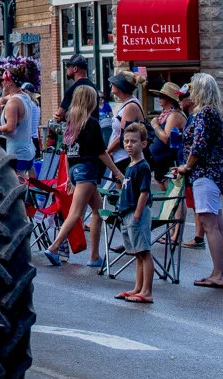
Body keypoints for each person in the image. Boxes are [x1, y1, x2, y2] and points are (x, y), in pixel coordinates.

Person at [43, 85, 122, 268]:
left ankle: (94, 256)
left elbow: (67, 150)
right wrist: (117, 171)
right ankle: (54, 247)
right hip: (87, 169)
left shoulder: (72, 120)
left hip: (76, 168)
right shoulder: (91, 122)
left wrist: (70, 176)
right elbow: (101, 152)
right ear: (91, 100)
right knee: (76, 213)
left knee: (97, 211)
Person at [175, 72, 223, 289]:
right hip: (214, 173)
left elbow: (199, 146)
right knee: (217, 224)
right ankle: (219, 271)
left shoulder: (204, 114)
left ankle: (218, 273)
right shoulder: (213, 113)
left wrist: (187, 165)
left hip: (205, 173)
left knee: (209, 225)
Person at [114, 121, 154, 303]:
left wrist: (137, 214)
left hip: (136, 214)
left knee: (144, 252)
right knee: (138, 254)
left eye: (134, 141)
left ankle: (147, 291)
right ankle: (138, 287)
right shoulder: (130, 166)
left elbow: (144, 193)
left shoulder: (143, 167)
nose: (129, 145)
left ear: (143, 144)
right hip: (127, 212)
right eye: (126, 141)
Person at [0, 68, 34, 181]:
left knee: (16, 185)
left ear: (10, 82)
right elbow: (6, 98)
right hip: (28, 149)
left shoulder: (13, 103)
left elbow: (10, 128)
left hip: (16, 152)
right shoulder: (25, 97)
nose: (2, 83)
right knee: (25, 185)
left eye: (3, 80)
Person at [148, 82, 187, 181]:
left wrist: (155, 125)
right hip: (160, 160)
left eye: (161, 97)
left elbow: (166, 139)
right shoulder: (165, 114)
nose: (159, 99)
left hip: (167, 160)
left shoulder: (174, 115)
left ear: (169, 99)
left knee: (169, 192)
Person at [107, 71, 146, 171]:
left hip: (125, 158)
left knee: (125, 186)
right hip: (119, 157)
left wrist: (107, 152)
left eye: (114, 83)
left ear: (120, 87)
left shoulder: (130, 107)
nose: (111, 85)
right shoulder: (126, 104)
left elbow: (123, 135)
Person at [55, 54, 95, 122]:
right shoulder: (93, 88)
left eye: (68, 67)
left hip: (76, 130)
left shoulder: (72, 90)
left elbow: (58, 115)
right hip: (93, 129)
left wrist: (60, 117)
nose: (66, 69)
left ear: (75, 69)